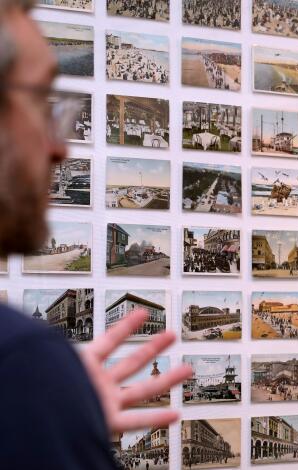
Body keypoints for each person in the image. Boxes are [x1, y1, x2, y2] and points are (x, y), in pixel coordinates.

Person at [0, 1, 192, 469]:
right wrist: (45, 393)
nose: (60, 146)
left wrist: (59, 410)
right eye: (40, 98)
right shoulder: (21, 364)